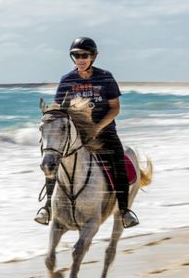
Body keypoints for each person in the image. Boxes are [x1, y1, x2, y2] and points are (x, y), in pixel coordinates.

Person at [35, 36, 140, 229]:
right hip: (77, 134)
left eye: (85, 55)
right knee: (52, 160)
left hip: (105, 131)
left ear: (93, 57)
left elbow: (115, 107)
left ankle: (125, 211)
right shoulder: (67, 80)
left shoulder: (106, 77)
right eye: (76, 55)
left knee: (118, 162)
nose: (81, 59)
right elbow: (59, 109)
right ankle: (48, 207)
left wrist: (98, 128)